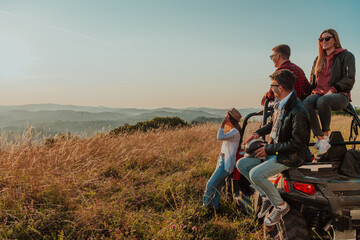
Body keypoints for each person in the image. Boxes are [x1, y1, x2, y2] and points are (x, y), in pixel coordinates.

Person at [236, 69, 310, 226]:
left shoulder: (298, 111)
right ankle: (266, 196)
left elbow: (296, 144)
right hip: (276, 150)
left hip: (291, 156)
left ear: (280, 87)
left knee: (256, 174)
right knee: (242, 164)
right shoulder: (280, 104)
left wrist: (270, 149)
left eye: (272, 85)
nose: (271, 88)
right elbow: (274, 124)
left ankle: (281, 205)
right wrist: (258, 132)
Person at [303, 29, 356, 156]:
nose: (323, 42)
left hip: (340, 95)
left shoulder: (346, 55)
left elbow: (349, 79)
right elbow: (313, 82)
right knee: (306, 103)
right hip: (320, 93)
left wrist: (333, 89)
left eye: (327, 39)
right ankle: (322, 140)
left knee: (323, 100)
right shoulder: (318, 59)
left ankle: (326, 134)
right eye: (321, 39)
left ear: (335, 40)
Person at [203, 108, 242, 211]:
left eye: (226, 117)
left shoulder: (235, 132)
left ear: (229, 119)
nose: (225, 119)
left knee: (210, 185)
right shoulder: (233, 131)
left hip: (226, 164)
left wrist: (222, 124)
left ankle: (206, 208)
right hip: (222, 161)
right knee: (217, 186)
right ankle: (215, 208)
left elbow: (219, 137)